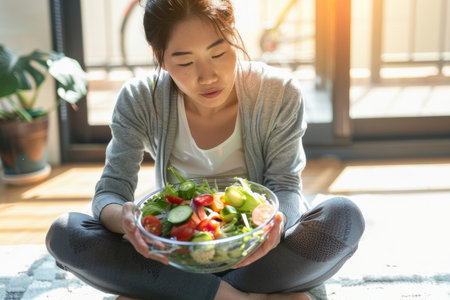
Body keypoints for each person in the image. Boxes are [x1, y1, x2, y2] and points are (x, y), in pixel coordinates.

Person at [46, 0, 365, 299]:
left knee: (343, 217)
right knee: (65, 233)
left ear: (233, 36)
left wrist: (276, 223)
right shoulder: (140, 99)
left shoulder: (278, 92)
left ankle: (188, 292)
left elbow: (284, 185)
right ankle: (240, 296)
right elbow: (111, 191)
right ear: (160, 57)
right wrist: (125, 218)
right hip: (177, 254)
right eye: (185, 61)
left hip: (257, 250)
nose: (208, 76)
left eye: (219, 52)